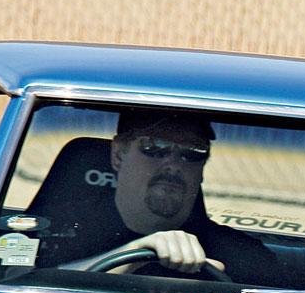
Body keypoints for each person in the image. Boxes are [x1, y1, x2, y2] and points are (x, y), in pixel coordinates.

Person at [90, 111, 278, 283]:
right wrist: (133, 252)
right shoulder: (70, 232)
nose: (174, 164)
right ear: (118, 155)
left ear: (203, 167)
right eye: (155, 145)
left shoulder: (242, 255)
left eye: (193, 151)